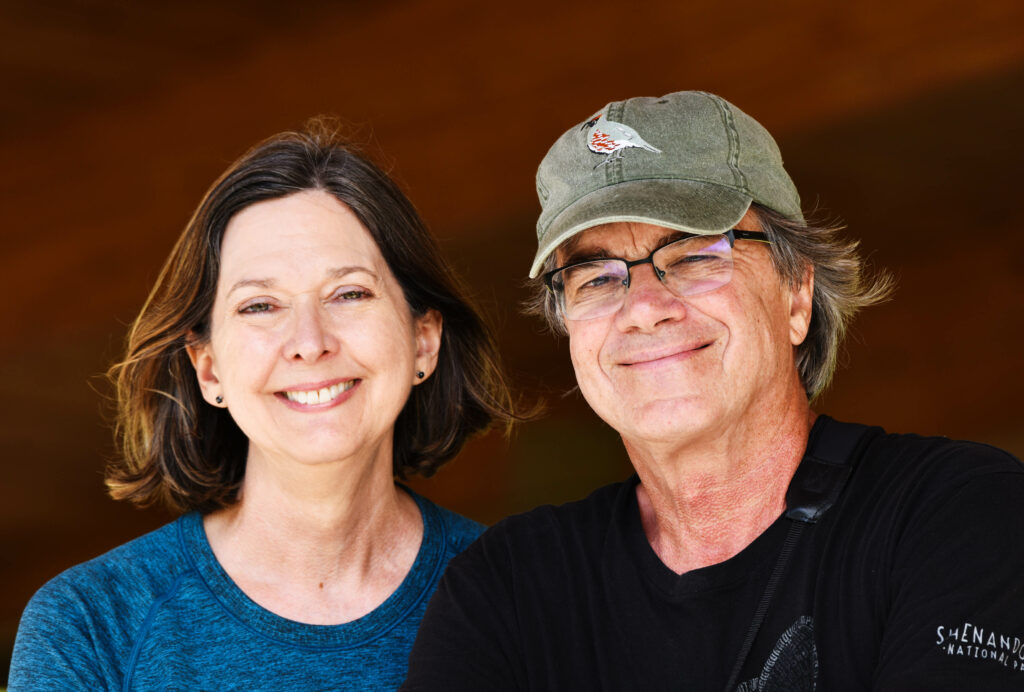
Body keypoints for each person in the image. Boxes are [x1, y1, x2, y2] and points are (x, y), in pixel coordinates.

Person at [403, 91, 1024, 690]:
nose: (644, 308)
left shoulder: (955, 512)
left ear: (796, 295)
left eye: (697, 254)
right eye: (594, 277)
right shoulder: (508, 588)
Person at [9, 122, 517, 690]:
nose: (309, 340)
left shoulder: (522, 598)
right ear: (209, 369)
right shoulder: (92, 625)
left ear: (424, 340)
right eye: (260, 305)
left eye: (349, 293)